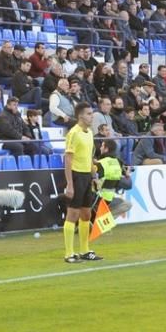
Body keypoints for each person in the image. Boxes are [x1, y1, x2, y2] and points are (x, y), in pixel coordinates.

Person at [63, 102, 101, 263]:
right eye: (89, 114)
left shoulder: (90, 133)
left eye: (92, 113)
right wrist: (69, 184)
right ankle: (69, 253)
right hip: (76, 176)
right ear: (80, 116)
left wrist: (94, 176)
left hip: (86, 176)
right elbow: (68, 160)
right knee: (73, 214)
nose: (91, 116)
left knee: (86, 214)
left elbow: (89, 157)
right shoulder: (73, 133)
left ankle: (85, 250)